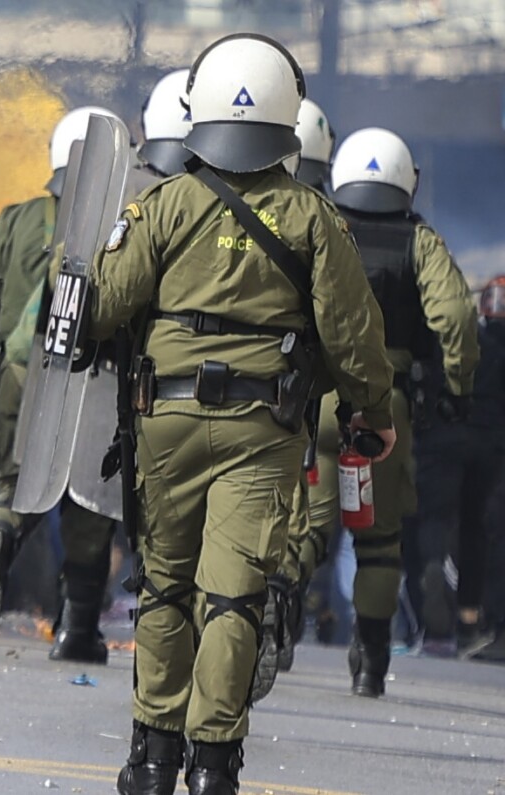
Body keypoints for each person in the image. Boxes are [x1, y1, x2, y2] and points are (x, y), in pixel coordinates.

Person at [84, 34, 396, 795]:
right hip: (264, 433)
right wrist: (373, 413)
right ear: (287, 112)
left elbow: (99, 307)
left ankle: (152, 757)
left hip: (166, 421)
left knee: (163, 586)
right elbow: (353, 332)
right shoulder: (315, 219)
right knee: (231, 596)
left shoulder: (162, 204)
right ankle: (213, 765)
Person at [316, 127, 478, 696]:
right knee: (377, 542)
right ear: (409, 179)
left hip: (314, 402)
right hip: (382, 414)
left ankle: (276, 623)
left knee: (298, 529)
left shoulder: (317, 225)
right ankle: (372, 662)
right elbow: (456, 317)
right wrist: (455, 388)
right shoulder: (419, 241)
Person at [0, 106, 121, 664]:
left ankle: (1, 531)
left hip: (21, 373)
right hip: (92, 380)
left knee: (21, 481)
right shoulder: (125, 222)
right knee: (89, 506)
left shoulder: (17, 219)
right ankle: (76, 628)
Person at [251, 96, 339, 695]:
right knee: (310, 517)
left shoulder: (216, 203)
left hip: (231, 382)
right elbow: (352, 323)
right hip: (313, 388)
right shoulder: (325, 218)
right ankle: (280, 588)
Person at [412, 276, 505, 657]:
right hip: (489, 445)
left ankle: (433, 569)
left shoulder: (442, 337)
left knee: (434, 520)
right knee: (475, 528)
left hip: (441, 439)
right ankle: (468, 617)